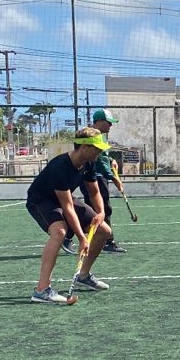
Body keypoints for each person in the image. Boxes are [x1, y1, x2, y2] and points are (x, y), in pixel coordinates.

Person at [24, 128, 112, 304]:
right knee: (59, 232)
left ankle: (84, 275)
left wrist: (101, 213)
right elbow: (67, 207)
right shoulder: (61, 167)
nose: (100, 151)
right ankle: (42, 290)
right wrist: (82, 238)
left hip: (65, 198)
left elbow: (94, 191)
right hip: (41, 200)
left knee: (104, 231)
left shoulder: (89, 162)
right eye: (97, 148)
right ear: (84, 147)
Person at [63, 109, 128, 255]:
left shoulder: (101, 136)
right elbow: (99, 161)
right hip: (94, 176)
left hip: (97, 175)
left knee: (96, 210)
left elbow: (102, 157)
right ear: (99, 121)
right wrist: (114, 177)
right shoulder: (92, 136)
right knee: (101, 209)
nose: (110, 126)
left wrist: (111, 160)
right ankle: (105, 241)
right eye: (108, 123)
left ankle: (102, 240)